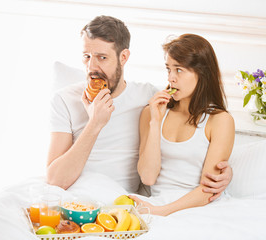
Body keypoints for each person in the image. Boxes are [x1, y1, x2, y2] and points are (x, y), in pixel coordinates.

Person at [46, 15, 232, 200]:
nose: (91, 67)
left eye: (102, 57)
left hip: (120, 202)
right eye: (86, 57)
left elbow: (186, 104)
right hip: (73, 198)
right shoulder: (64, 100)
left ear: (124, 57)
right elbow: (55, 180)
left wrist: (226, 173)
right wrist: (94, 123)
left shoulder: (148, 97)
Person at [129, 34, 235, 216]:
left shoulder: (220, 120)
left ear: (202, 73)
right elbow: (148, 177)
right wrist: (155, 122)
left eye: (179, 70)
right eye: (168, 69)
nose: (171, 78)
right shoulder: (151, 112)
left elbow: (208, 190)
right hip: (157, 202)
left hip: (199, 208)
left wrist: (160, 212)